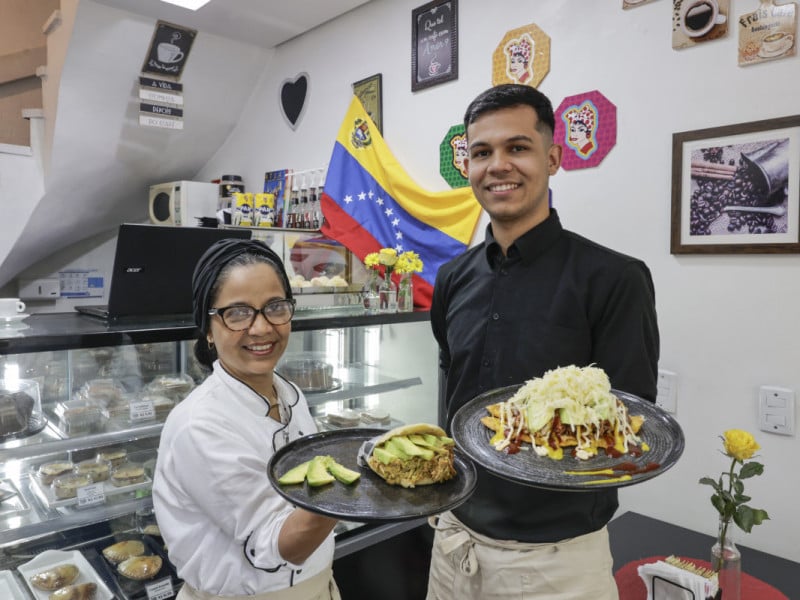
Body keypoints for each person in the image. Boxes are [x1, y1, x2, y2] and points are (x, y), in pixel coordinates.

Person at [427, 84, 660, 600]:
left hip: (557, 561)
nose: (498, 166)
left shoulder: (614, 279)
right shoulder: (451, 278)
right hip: (452, 540)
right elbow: (452, 385)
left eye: (518, 147)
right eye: (482, 152)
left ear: (552, 158)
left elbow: (631, 421)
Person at [152, 238, 341, 600]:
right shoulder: (199, 425)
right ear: (209, 329)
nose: (262, 328)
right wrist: (365, 486)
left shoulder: (289, 393)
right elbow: (279, 544)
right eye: (238, 313)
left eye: (275, 307)